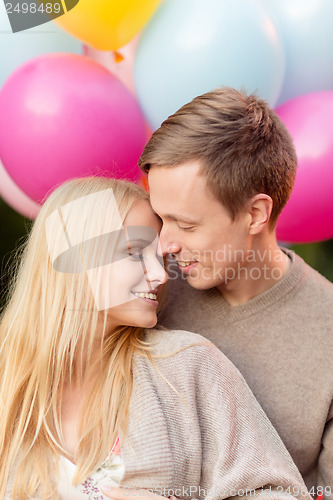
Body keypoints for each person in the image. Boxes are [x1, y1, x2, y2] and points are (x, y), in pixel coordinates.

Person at [0, 176, 311, 500]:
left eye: (159, 257)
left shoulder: (187, 364)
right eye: (135, 253)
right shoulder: (7, 379)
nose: (162, 275)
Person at [137, 87, 333, 500]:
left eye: (186, 225)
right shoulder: (143, 293)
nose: (166, 244)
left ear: (255, 214)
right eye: (160, 219)